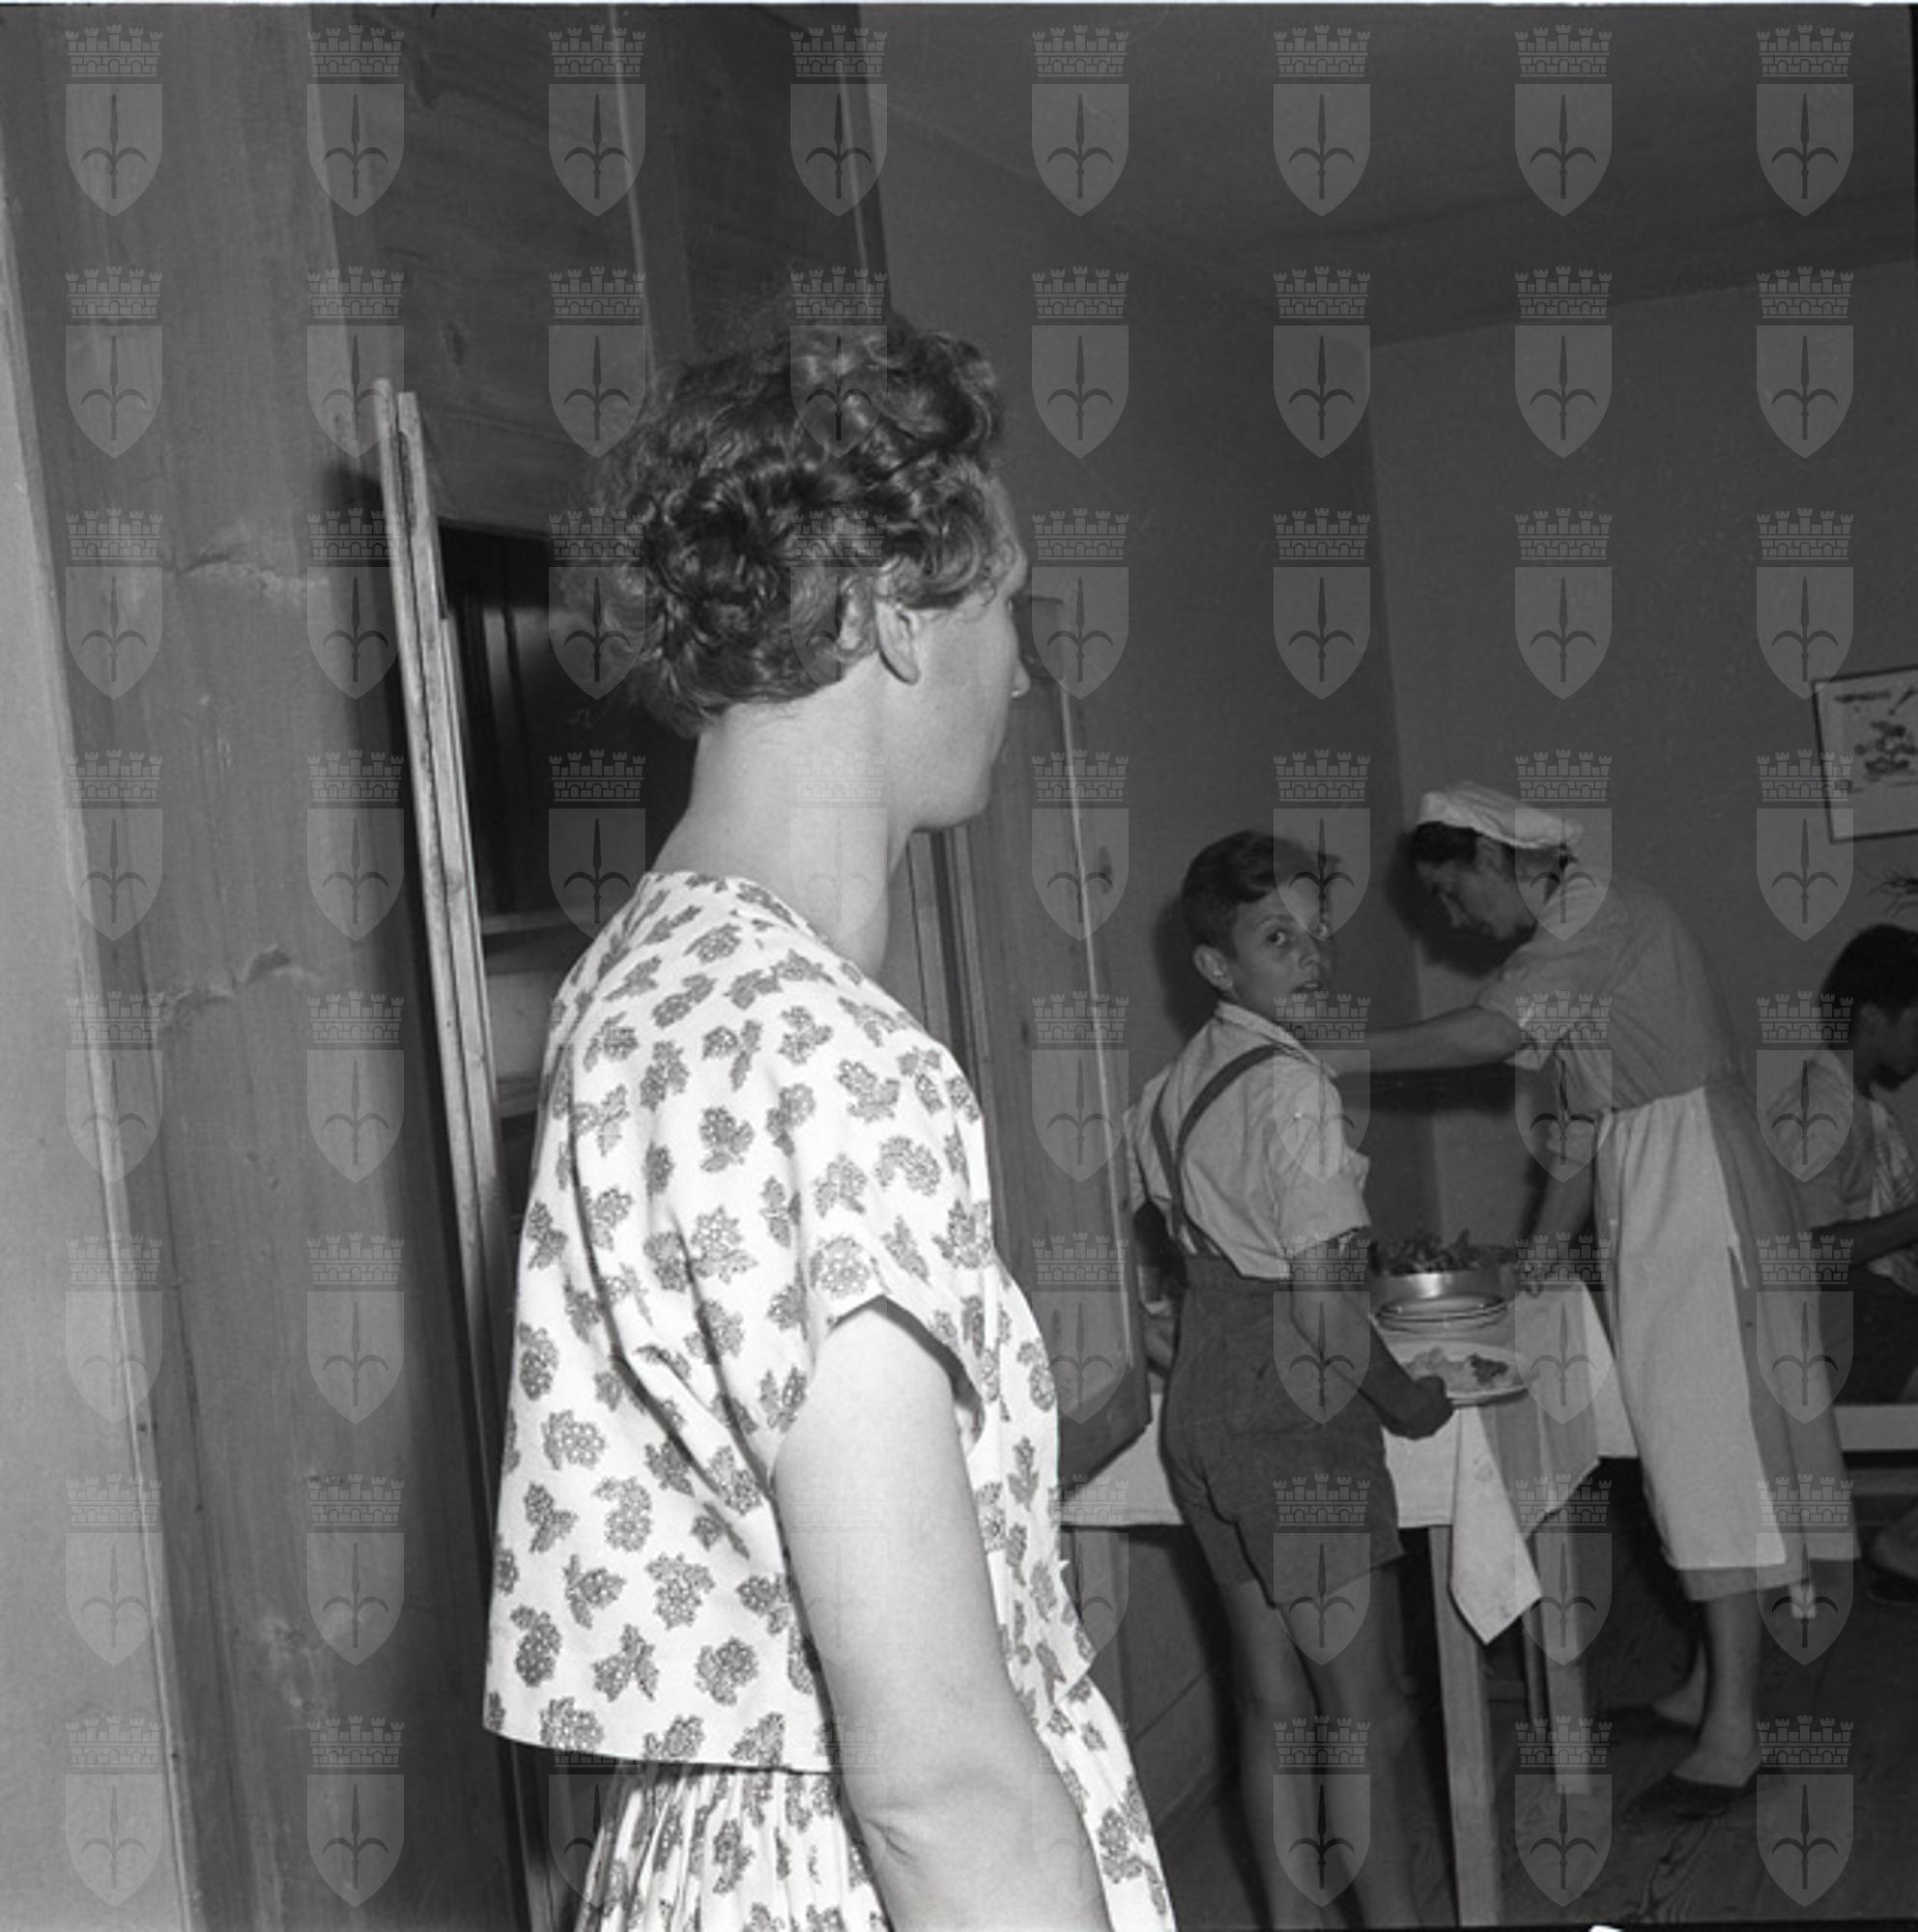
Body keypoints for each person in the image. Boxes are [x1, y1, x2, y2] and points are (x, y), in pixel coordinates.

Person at [481, 310, 1171, 1931]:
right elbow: (935, 1782)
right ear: (896, 614)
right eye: (1006, 606)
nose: (1021, 667)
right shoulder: (820, 1058)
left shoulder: (631, 986)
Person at [1332, 781, 1853, 1821]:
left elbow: (1487, 1034)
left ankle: (1733, 1732)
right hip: (1655, 1178)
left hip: (1691, 1185)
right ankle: (1709, 1686)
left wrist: (1331, 1050)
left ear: (1493, 859)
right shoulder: (1577, 937)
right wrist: (1538, 1250)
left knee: (1708, 1447)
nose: (1453, 919)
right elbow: (1582, 1122)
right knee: (1679, 1440)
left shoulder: (1596, 915)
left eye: (1451, 892)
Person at [1128, 830, 1451, 1929]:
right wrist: (1409, 1400)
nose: (1310, 957)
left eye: (1316, 934)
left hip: (1203, 1408)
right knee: (1362, 1709)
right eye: (1277, 939)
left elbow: (1184, 1263)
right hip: (1291, 1410)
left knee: (1270, 1703)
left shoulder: (1168, 1089)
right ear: (1217, 966)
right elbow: (1321, 1310)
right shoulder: (1295, 1088)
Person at [1800, 924, 1918, 1602]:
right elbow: (1810, 1254)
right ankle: (1905, 1543)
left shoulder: (1859, 1108)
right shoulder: (1820, 1110)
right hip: (1840, 1324)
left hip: (1873, 1313)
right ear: (1873, 1016)